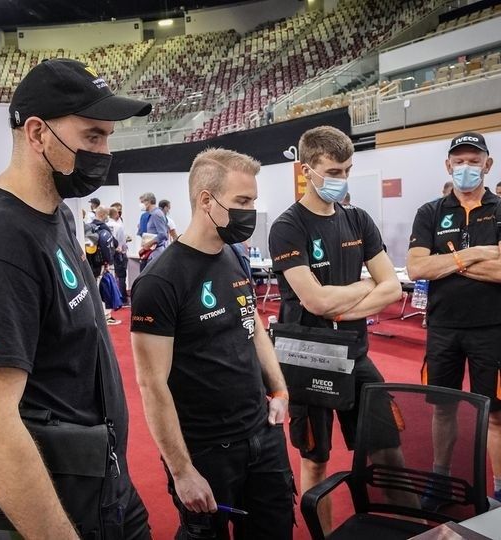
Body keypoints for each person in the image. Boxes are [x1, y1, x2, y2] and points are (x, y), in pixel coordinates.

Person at [0, 57, 152, 538]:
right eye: (92, 136)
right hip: (62, 503)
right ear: (37, 133)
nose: (104, 151)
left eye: (107, 137)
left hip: (102, 482)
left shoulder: (57, 215)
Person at [131, 148, 294, 540]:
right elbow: (152, 384)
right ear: (206, 200)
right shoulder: (160, 281)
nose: (251, 211)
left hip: (263, 434)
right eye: (242, 201)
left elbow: (252, 324)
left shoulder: (233, 255)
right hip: (206, 451)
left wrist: (279, 389)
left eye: (253, 201)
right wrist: (181, 470)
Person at [268, 125, 407, 534]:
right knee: (316, 460)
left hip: (355, 353)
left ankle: (411, 528)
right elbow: (315, 302)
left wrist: (343, 306)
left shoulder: (358, 219)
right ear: (306, 170)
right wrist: (364, 287)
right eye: (332, 172)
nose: (341, 180)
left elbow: (392, 287)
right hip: (306, 357)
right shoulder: (288, 226)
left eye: (347, 170)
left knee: (388, 451)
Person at [406, 131, 501, 506]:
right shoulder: (430, 212)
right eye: (459, 161)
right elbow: (416, 268)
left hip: (491, 328)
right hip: (443, 328)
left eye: (474, 161)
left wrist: (444, 263)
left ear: (488, 165)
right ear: (448, 166)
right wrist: (473, 254)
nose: (466, 168)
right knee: (443, 409)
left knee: (496, 412)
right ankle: (440, 480)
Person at [89, 206, 121, 325]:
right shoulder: (103, 228)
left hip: (91, 264)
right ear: (103, 215)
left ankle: (96, 315)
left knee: (94, 289)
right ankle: (106, 316)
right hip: (102, 263)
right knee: (104, 288)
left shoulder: (89, 227)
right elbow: (114, 242)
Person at [140, 192, 170, 269]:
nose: (141, 205)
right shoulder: (152, 214)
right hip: (151, 252)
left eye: (142, 202)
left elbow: (163, 234)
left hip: (156, 253)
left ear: (148, 201)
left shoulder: (156, 214)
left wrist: (148, 244)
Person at [108, 204, 129, 304]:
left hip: (109, 253)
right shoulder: (118, 226)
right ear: (115, 214)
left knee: (111, 276)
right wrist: (124, 251)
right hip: (119, 254)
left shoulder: (105, 225)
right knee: (121, 277)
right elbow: (122, 243)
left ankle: (113, 298)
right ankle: (122, 298)